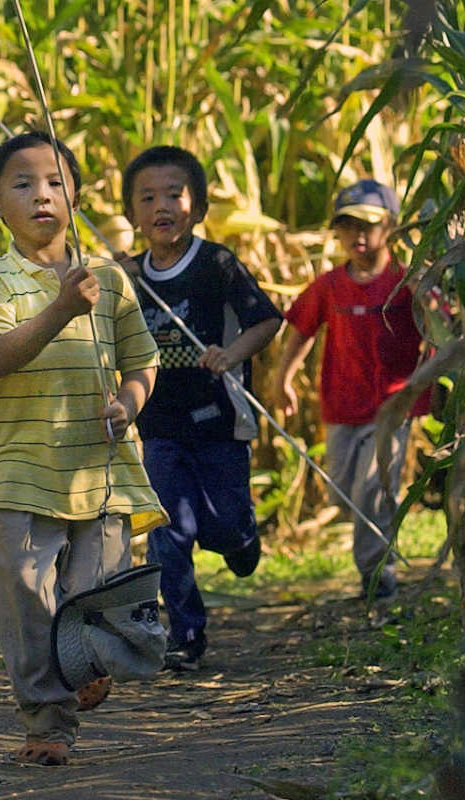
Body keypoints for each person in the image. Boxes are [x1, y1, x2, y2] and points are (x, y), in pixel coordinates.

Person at [0, 131, 168, 766]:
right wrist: (59, 309)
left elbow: (142, 361)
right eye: (22, 185)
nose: (41, 194)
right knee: (26, 595)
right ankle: (47, 723)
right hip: (19, 469)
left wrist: (128, 404)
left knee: (91, 597)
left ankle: (83, 665)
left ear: (74, 194)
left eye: (54, 182)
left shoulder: (107, 278)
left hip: (98, 469)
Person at [121, 146, 283, 671]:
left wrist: (232, 354)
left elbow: (266, 320)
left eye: (174, 194)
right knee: (168, 534)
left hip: (219, 421)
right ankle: (185, 637)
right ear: (131, 213)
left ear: (198, 205)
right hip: (160, 426)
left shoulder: (216, 264)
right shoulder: (128, 277)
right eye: (147, 198)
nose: (161, 206)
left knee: (224, 526)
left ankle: (241, 539)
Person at [271, 179, 431, 601]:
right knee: (343, 490)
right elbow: (302, 329)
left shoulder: (406, 281)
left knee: (374, 490)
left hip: (391, 406)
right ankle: (375, 561)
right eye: (346, 225)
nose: (357, 236)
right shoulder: (330, 285)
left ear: (390, 228)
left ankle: (378, 575)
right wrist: (283, 377)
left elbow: (440, 329)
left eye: (368, 225)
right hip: (342, 407)